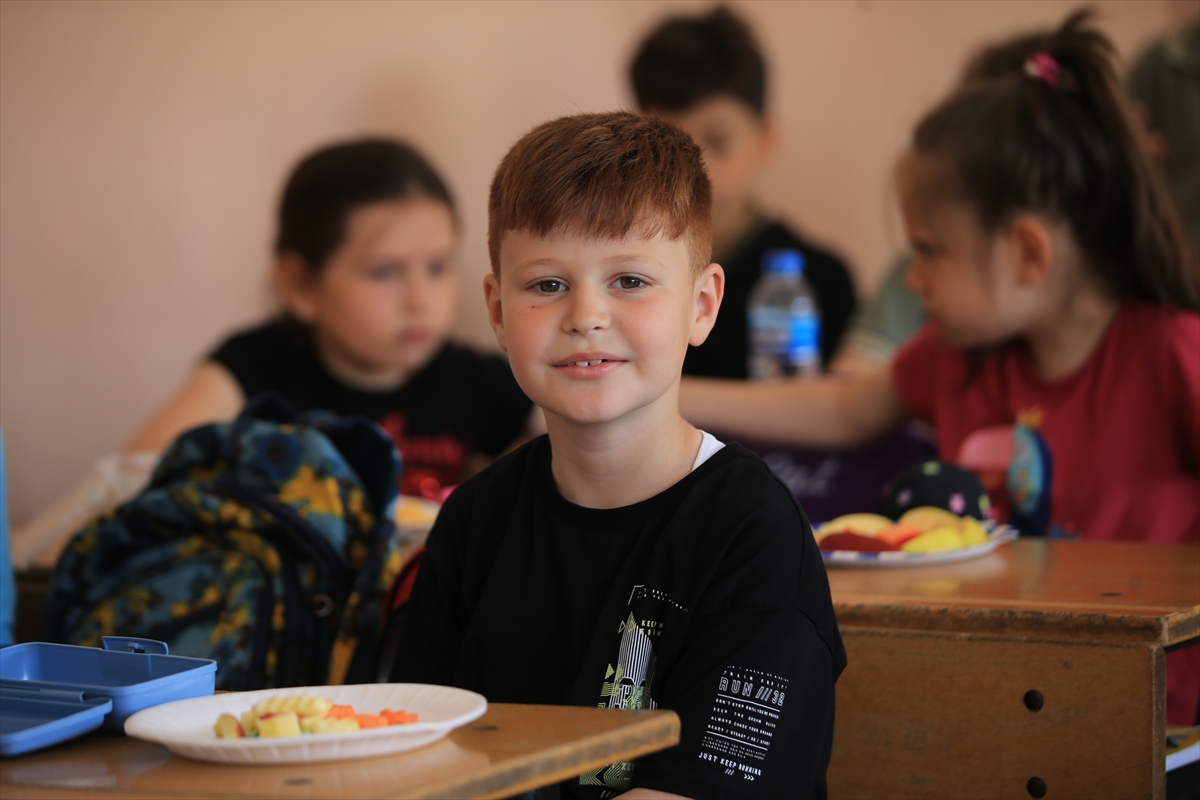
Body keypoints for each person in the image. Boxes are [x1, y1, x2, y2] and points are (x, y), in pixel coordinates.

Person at [680, 11, 1199, 724]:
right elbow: (841, 408)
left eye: (930, 252)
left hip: (1160, 723)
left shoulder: (1172, 353)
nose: (912, 281)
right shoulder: (956, 356)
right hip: (1003, 700)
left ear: (1027, 254)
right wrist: (662, 393)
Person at [391, 112, 845, 799]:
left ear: (701, 304)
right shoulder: (475, 519)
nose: (586, 315)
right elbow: (412, 757)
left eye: (630, 281)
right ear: (497, 308)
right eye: (546, 284)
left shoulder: (752, 535)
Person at [125, 138, 536, 501]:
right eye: (384, 272)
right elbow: (137, 476)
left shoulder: (477, 379)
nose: (420, 300)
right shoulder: (255, 366)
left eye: (438, 267)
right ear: (300, 286)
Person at [629, 5, 857, 378]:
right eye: (666, 146)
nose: (693, 169)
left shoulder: (820, 280)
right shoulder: (620, 273)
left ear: (764, 139)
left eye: (717, 143)